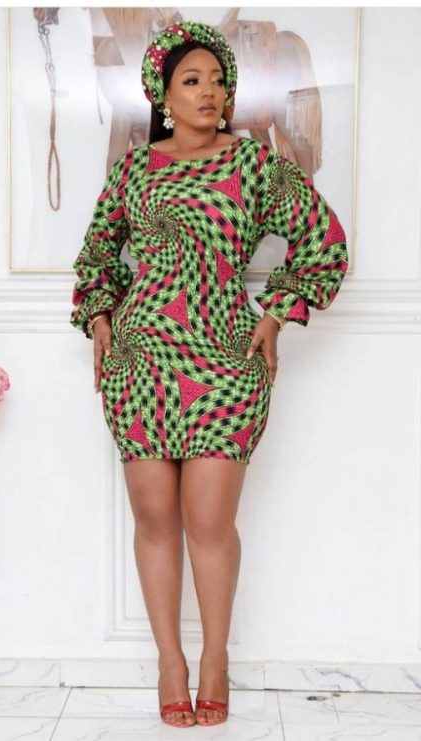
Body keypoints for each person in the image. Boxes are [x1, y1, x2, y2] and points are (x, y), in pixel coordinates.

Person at [70, 20, 348, 728]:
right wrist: (100, 318)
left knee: (209, 522)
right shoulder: (134, 170)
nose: (210, 93)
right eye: (192, 81)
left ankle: (216, 657)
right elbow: (96, 257)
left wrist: (276, 313)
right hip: (141, 362)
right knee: (155, 519)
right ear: (162, 95)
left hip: (226, 360)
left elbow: (323, 241)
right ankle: (171, 661)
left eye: (219, 81)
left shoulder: (253, 164)